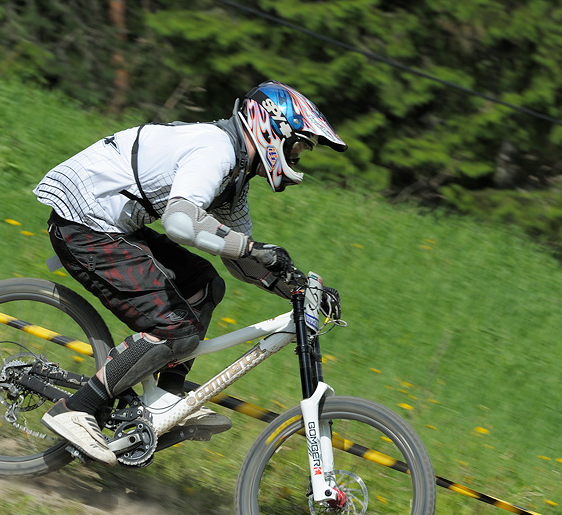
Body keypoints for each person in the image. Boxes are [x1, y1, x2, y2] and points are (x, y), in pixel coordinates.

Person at [34, 80, 347, 464]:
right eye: (298, 143)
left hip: (113, 224)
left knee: (204, 284)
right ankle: (77, 408)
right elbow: (181, 224)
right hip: (84, 223)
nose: (299, 154)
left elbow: (240, 260)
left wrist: (298, 288)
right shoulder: (215, 151)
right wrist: (254, 249)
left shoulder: (234, 175)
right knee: (174, 327)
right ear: (271, 128)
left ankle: (164, 396)